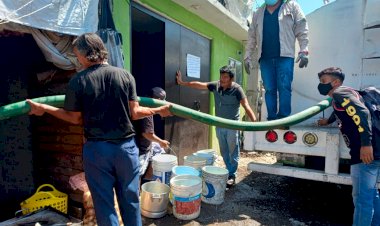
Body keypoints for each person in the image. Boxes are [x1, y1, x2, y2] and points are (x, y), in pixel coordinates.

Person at [26, 33, 171, 226]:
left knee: (104, 204)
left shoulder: (79, 81)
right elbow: (135, 112)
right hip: (126, 149)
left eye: (77, 54)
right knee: (130, 199)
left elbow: (75, 118)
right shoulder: (125, 75)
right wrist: (159, 110)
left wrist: (44, 108)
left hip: (97, 151)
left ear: (86, 55)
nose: (77, 58)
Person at [316, 67, 380, 225]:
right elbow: (345, 110)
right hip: (370, 152)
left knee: (361, 199)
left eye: (324, 81)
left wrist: (366, 144)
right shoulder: (344, 95)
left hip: (364, 153)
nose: (321, 85)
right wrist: (327, 121)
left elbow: (361, 112)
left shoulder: (339, 93)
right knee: (370, 194)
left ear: (336, 82)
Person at [176, 65, 257, 187]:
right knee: (224, 151)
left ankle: (232, 175)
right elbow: (199, 85)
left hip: (232, 126)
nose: (222, 79)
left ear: (231, 78)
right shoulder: (216, 86)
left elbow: (246, 106)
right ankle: (229, 171)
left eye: (225, 77)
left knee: (233, 151)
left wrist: (255, 123)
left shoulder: (237, 89)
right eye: (221, 76)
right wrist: (183, 83)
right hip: (219, 125)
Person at [244, 0, 309, 121]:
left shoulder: (291, 6)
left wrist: (304, 50)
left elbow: (302, 28)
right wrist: (247, 55)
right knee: (269, 89)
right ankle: (272, 119)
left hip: (285, 56)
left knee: (284, 87)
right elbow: (252, 36)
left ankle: (284, 118)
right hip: (265, 58)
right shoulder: (258, 13)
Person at [134, 87, 170, 182]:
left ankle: (149, 180)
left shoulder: (141, 104)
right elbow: (147, 134)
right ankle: (138, 190)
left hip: (140, 145)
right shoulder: (147, 109)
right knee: (137, 175)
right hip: (140, 149)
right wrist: (161, 141)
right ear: (158, 101)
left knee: (158, 150)